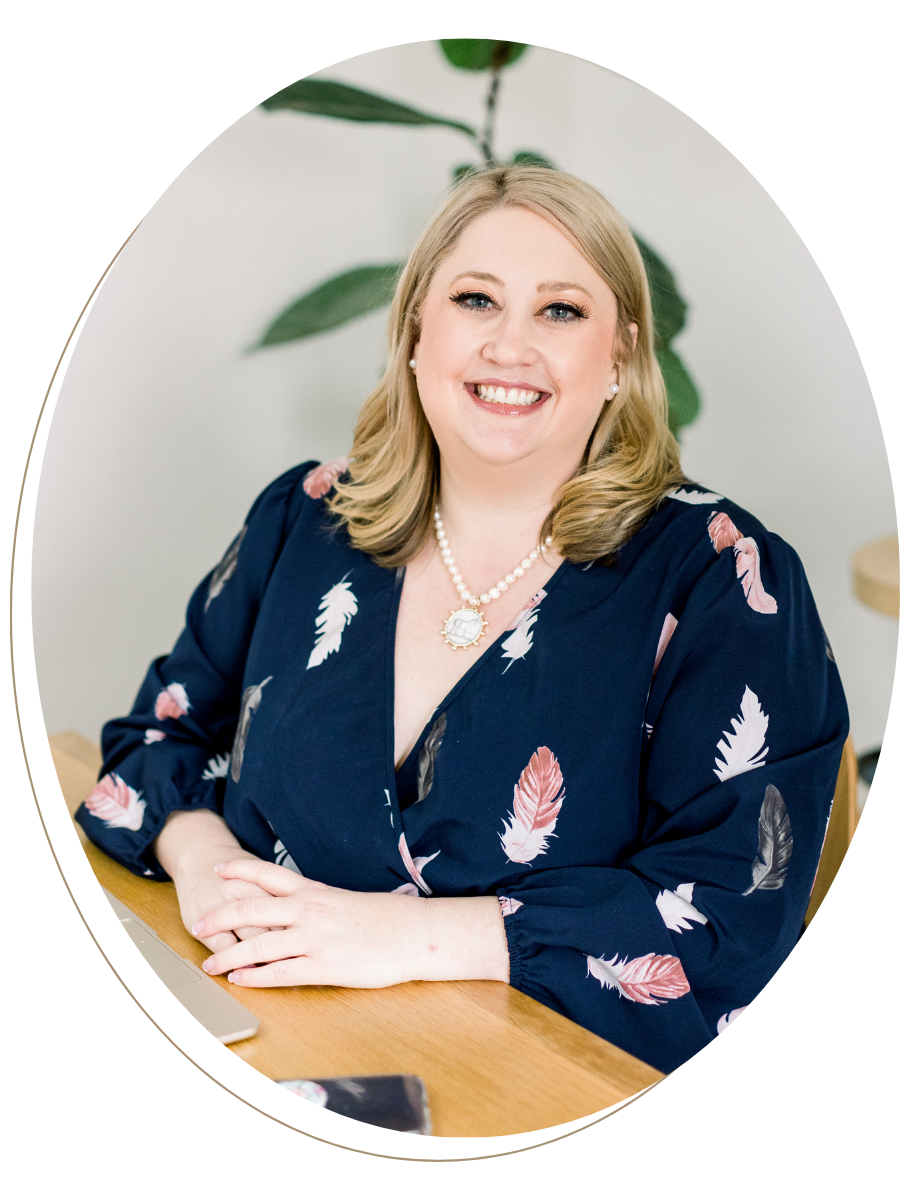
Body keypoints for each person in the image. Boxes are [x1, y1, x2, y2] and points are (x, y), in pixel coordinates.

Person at [77, 166, 848, 1074]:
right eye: (477, 299)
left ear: (621, 358)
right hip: (263, 1041)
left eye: (560, 311)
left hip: (545, 1099)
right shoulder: (306, 516)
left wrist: (402, 936)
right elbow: (152, 740)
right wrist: (202, 856)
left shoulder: (724, 577)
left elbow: (728, 913)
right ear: (415, 334)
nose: (510, 346)